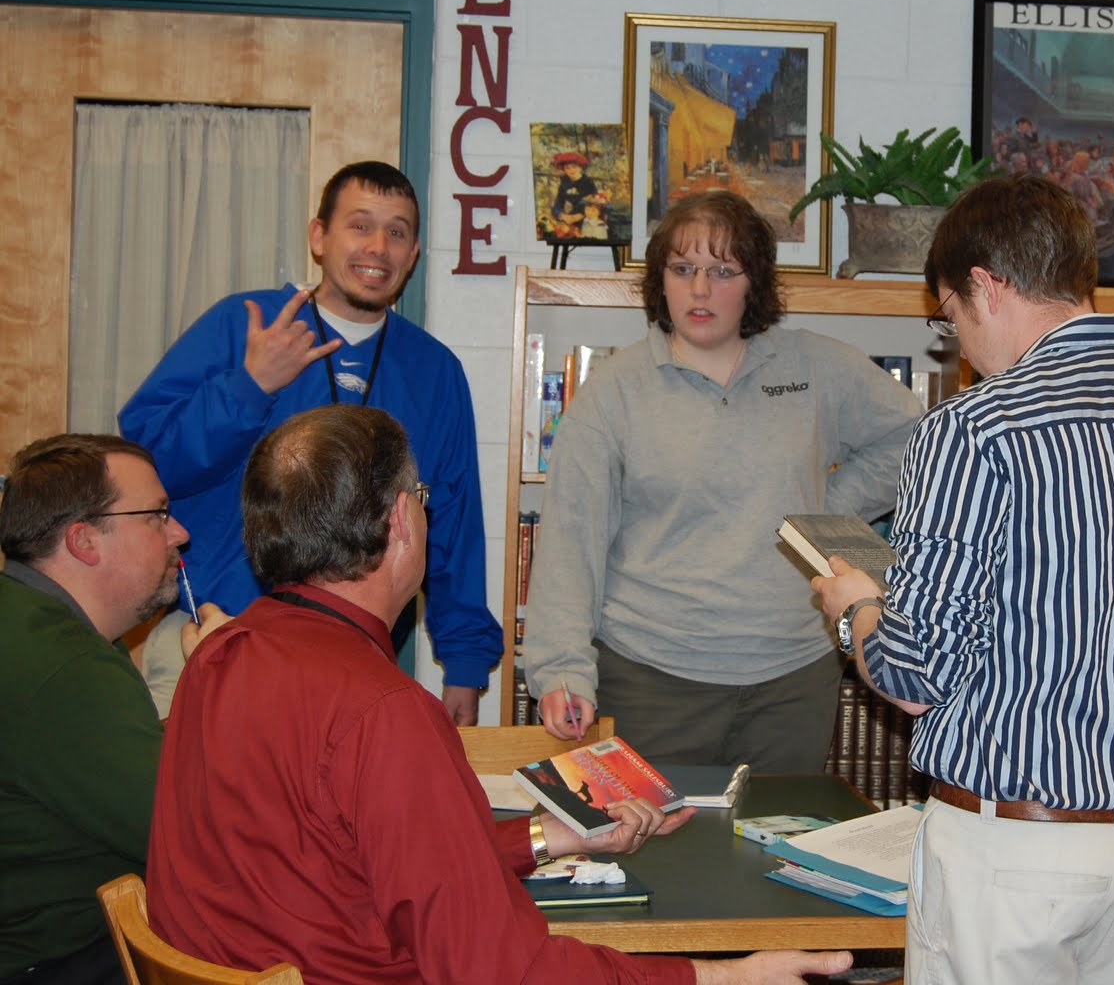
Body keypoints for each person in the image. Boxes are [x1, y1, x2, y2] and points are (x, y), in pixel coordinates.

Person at [147, 404, 850, 985]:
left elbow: (368, 859)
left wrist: (550, 837)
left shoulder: (219, 656)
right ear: (400, 521)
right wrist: (720, 976)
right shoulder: (384, 712)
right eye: (422, 500)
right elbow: (499, 970)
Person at [811, 174, 1114, 984]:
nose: (958, 342)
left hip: (1015, 854)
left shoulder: (975, 428)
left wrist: (855, 611)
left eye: (949, 316)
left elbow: (914, 676)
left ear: (985, 287)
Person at [523, 190, 924, 770]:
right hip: (650, 679)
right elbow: (569, 543)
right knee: (649, 831)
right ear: (660, 281)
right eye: (682, 269)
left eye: (722, 271)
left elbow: (916, 438)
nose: (700, 290)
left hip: (793, 678)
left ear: (754, 282)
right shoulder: (614, 391)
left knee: (780, 831)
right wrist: (561, 668)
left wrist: (825, 508)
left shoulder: (816, 368)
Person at [119, 160, 498, 724]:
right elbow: (152, 468)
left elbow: (451, 521)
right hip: (214, 635)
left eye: (396, 232)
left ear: (414, 254)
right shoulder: (244, 326)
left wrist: (465, 662)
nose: (378, 247)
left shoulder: (434, 371)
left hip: (356, 659)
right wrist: (249, 387)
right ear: (319, 236)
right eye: (360, 225)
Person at [0, 434, 220, 985]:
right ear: (84, 541)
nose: (180, 532)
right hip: (53, 962)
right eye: (157, 515)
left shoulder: (33, 622)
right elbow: (194, 837)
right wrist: (225, 690)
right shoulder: (64, 666)